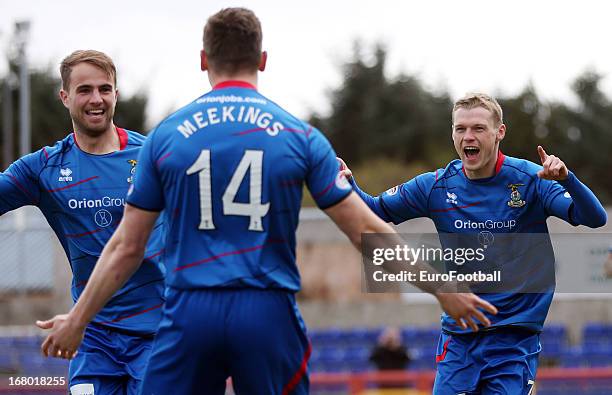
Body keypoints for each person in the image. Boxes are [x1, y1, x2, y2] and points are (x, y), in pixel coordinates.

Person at [38, 9, 497, 395]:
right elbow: (368, 232)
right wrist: (443, 288)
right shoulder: (300, 136)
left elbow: (126, 246)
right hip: (266, 312)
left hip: (187, 313)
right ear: (262, 58)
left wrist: (78, 318)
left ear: (204, 60)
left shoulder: (165, 137)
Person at [338, 93, 607, 394]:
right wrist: (347, 183)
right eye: (460, 129)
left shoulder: (531, 178)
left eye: (478, 128)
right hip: (460, 337)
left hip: (514, 341)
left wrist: (567, 179)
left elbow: (594, 217)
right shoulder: (436, 186)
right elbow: (374, 210)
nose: (468, 136)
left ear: (499, 132)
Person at [0, 50, 166, 394]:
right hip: (92, 337)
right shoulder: (44, 168)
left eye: (105, 89)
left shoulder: (152, 156)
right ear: (65, 97)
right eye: (85, 90)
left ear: (116, 95)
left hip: (158, 334)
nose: (96, 99)